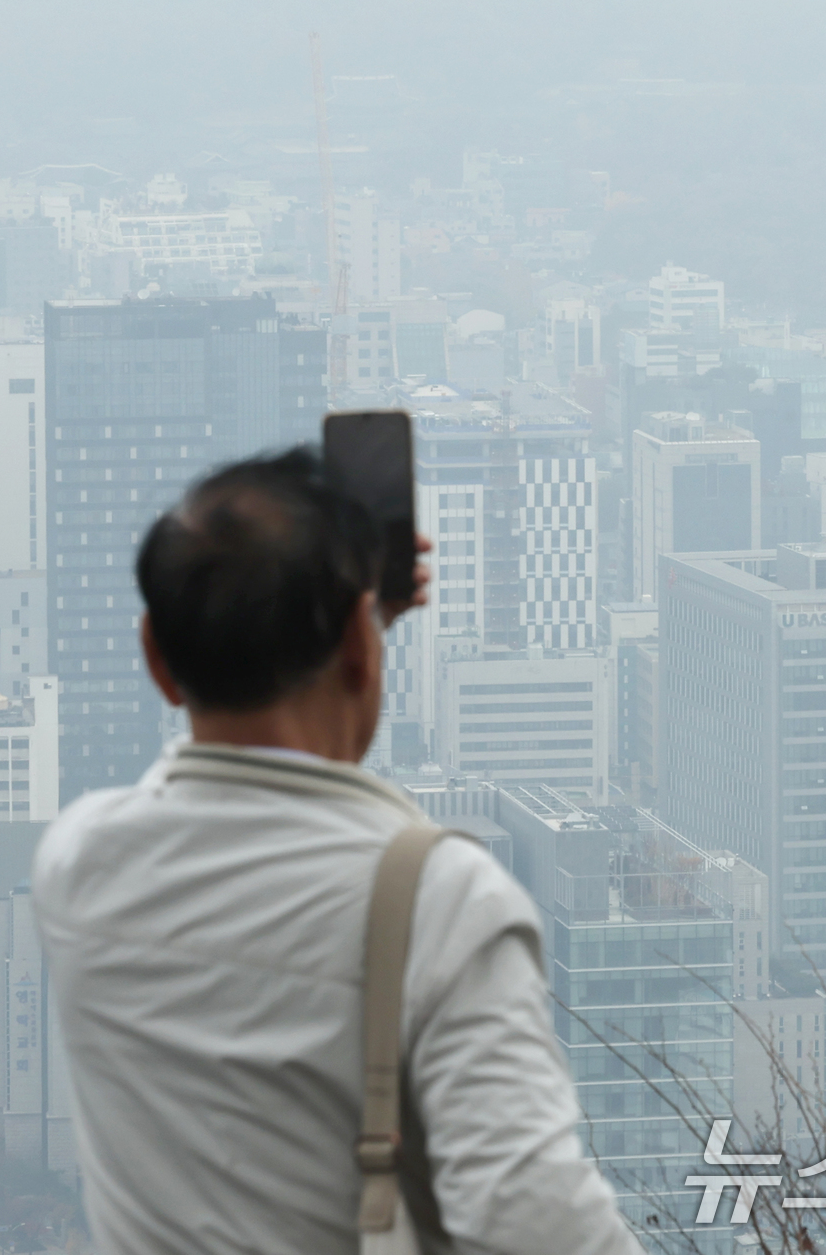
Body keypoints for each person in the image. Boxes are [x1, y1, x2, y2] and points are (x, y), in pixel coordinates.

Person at [34, 446, 645, 1255]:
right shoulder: (441, 902)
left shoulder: (79, 863)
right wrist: (355, 631)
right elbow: (535, 1226)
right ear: (362, 648)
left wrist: (353, 629)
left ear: (156, 657)